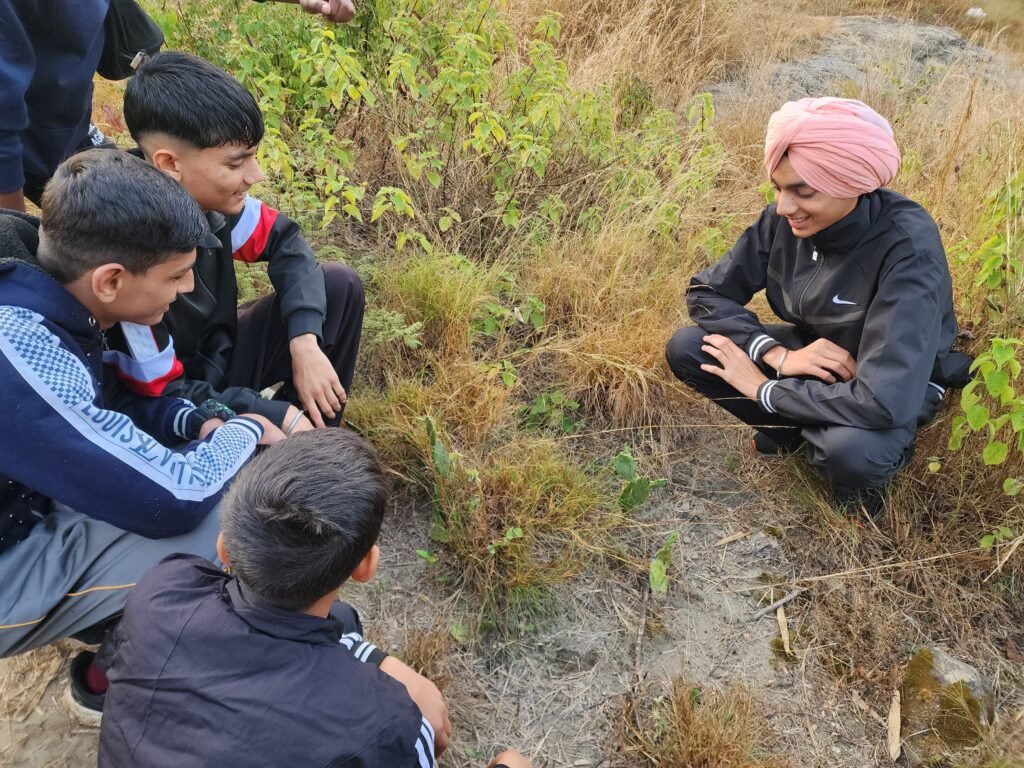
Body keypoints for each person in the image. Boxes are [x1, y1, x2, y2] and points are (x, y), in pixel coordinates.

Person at [0, 150, 287, 669]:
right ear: (110, 280)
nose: (188, 290)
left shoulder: (38, 276)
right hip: (9, 547)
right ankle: (120, 677)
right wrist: (244, 429)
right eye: (176, 276)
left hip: (22, 494)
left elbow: (102, 404)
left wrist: (196, 422)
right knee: (230, 522)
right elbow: (174, 498)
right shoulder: (19, 349)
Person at [665, 97, 971, 517]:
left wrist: (763, 389)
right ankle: (801, 436)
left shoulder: (908, 249)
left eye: (802, 191)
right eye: (777, 187)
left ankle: (856, 490)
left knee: (854, 452)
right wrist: (778, 356)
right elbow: (707, 292)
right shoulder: (786, 220)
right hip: (815, 355)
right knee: (690, 349)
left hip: (888, 380)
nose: (783, 207)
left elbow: (885, 400)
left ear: (852, 185)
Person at [99, 429, 451, 766]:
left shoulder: (163, 591)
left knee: (341, 619)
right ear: (365, 567)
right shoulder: (387, 724)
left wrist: (378, 662)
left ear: (224, 548)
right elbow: (421, 734)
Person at [111, 50, 364, 433]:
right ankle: (278, 454)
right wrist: (271, 413)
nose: (256, 175)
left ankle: (312, 447)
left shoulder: (215, 204)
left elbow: (286, 241)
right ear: (169, 163)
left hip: (220, 355)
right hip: (179, 405)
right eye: (235, 163)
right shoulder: (129, 252)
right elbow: (164, 396)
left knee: (338, 286)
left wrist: (304, 340)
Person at [0, 0, 355, 213]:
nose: (255, 176)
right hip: (13, 143)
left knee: (142, 218)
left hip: (64, 127)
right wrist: (14, 247)